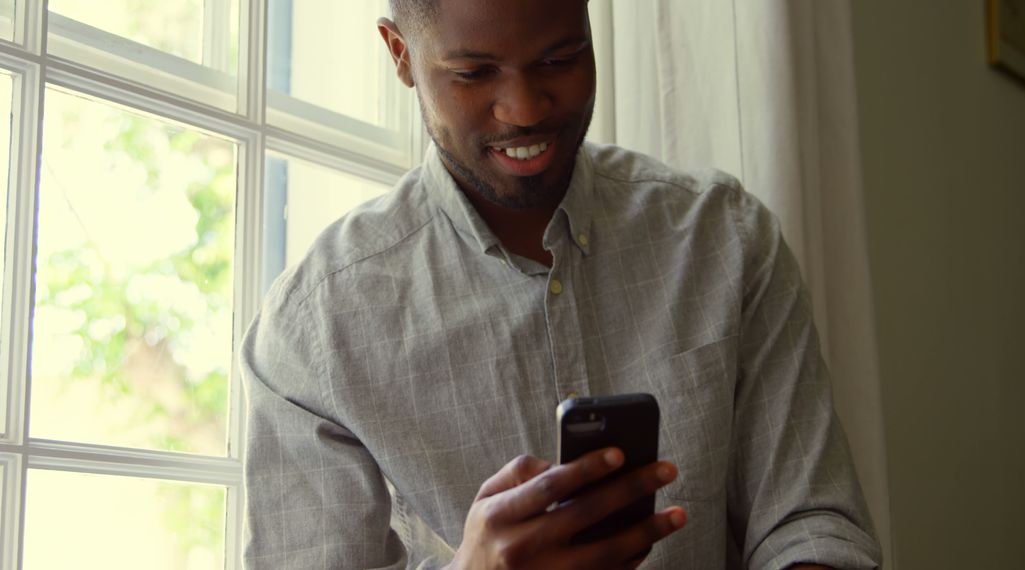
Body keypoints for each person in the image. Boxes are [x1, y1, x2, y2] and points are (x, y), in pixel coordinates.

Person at [241, 0, 883, 568]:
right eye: (473, 73)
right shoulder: (313, 331)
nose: (524, 110)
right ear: (401, 54)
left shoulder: (727, 238)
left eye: (561, 57)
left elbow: (811, 525)